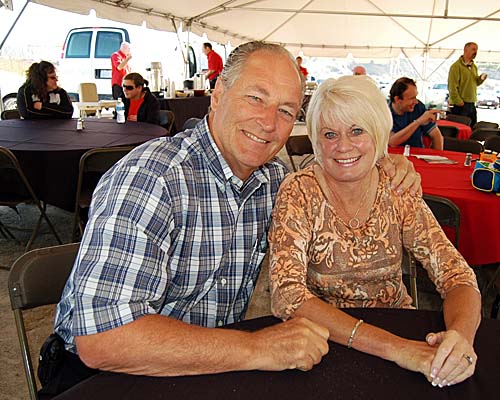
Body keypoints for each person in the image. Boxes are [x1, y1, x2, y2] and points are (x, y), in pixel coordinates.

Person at [41, 41, 420, 397]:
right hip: (108, 378)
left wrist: (382, 166)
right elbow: (104, 340)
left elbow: (333, 181)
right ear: (218, 94)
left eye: (286, 111)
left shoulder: (273, 179)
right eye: (256, 98)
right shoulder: (152, 178)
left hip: (211, 366)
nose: (269, 123)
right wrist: (256, 347)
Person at [269, 75, 481, 389]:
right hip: (327, 342)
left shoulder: (396, 188)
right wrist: (399, 349)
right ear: (314, 138)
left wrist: (459, 340)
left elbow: (456, 275)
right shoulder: (300, 193)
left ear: (379, 133)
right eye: (329, 134)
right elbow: (288, 297)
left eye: (357, 130)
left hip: (400, 329)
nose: (342, 146)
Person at [389, 77, 443, 150]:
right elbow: (392, 142)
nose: (416, 102)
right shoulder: (384, 112)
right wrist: (418, 122)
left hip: (418, 156)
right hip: (392, 158)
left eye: (416, 97)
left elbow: (436, 136)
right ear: (397, 99)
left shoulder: (418, 107)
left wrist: (436, 158)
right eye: (412, 98)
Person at [448, 42, 487, 128]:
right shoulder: (456, 67)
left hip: (471, 103)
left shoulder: (474, 66)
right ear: (465, 50)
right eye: (473, 49)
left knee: (472, 128)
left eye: (476, 50)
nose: (475, 52)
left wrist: (481, 79)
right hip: (460, 105)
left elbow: (475, 83)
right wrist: (459, 101)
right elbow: (452, 86)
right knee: (460, 129)